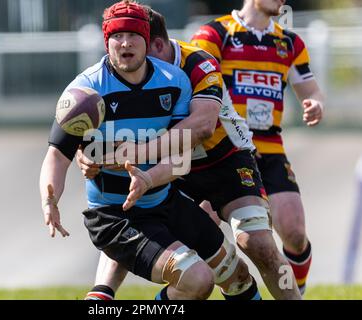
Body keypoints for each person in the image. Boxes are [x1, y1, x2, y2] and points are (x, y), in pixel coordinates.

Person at [80, 7, 300, 300]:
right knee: (137, 212)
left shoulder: (198, 63)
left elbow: (202, 127)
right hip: (171, 165)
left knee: (256, 243)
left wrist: (137, 152)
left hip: (224, 160)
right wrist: (90, 155)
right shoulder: (125, 71)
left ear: (155, 44)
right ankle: (103, 294)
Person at [40, 0, 252, 300]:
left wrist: (148, 179)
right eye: (116, 36)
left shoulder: (174, 82)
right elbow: (56, 156)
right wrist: (50, 199)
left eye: (133, 35)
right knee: (197, 279)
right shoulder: (85, 91)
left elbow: (180, 159)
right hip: (115, 217)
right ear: (106, 41)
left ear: (147, 39)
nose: (125, 43)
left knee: (236, 275)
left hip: (164, 201)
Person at [190, 0, 325, 294]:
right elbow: (194, 82)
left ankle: (294, 294)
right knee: (203, 238)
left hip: (270, 149)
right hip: (223, 153)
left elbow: (310, 89)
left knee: (295, 233)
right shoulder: (215, 33)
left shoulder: (290, 42)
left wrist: (315, 103)